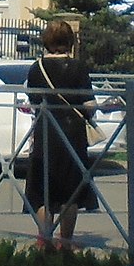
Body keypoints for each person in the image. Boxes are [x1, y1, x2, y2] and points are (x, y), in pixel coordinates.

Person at [22, 19, 97, 249]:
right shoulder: (77, 68)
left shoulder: (37, 68)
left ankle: (44, 239)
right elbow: (90, 104)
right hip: (73, 134)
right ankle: (66, 241)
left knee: (43, 188)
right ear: (69, 41)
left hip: (46, 132)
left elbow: (33, 100)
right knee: (71, 190)